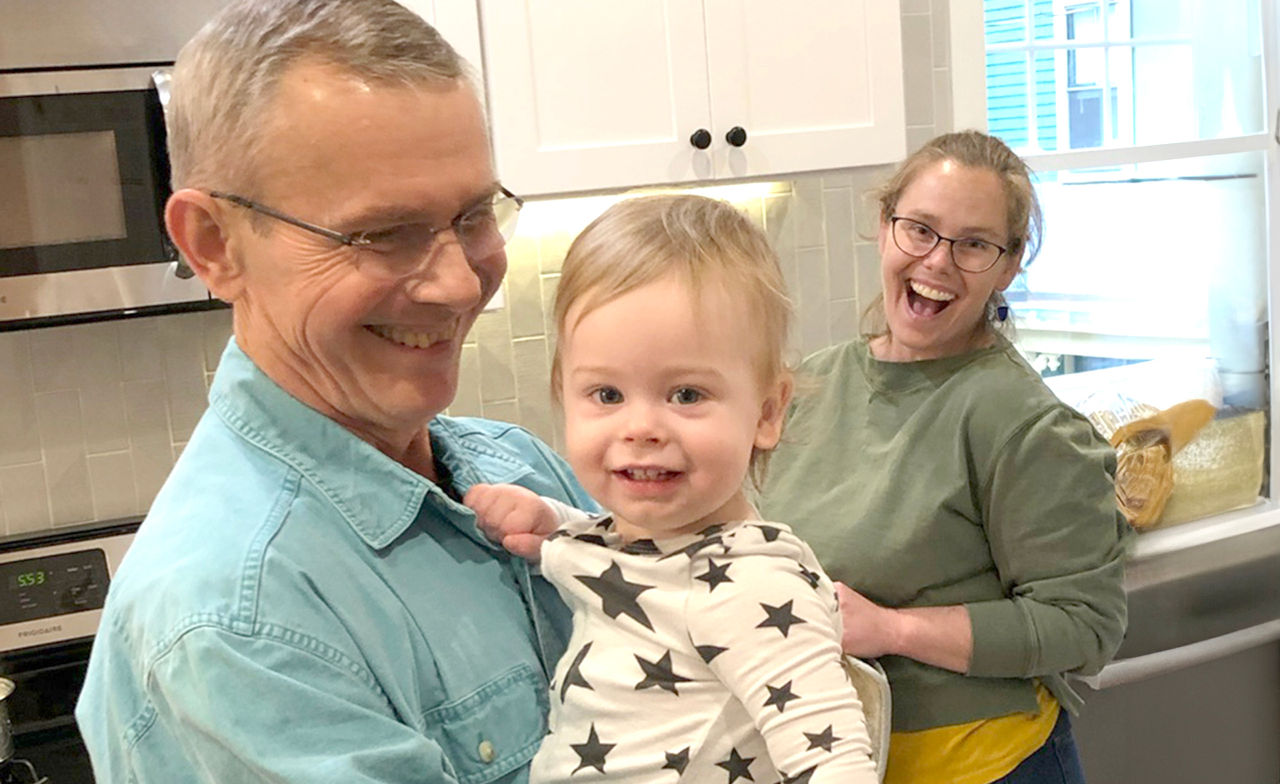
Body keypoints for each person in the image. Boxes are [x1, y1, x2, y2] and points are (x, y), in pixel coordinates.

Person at [74, 1, 596, 782]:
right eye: (384, 233)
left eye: (473, 213)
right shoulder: (238, 624)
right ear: (214, 246)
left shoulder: (516, 467)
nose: (459, 283)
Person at [465, 194, 881, 784]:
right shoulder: (647, 541)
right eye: (606, 395)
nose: (640, 429)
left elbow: (836, 764)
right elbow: (624, 556)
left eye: (686, 394)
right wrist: (550, 524)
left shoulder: (752, 588)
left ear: (767, 412)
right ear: (563, 393)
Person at [758, 130, 1132, 784]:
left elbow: (1085, 626)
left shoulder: (1022, 423)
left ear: (1010, 264)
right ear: (883, 226)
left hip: (986, 767)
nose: (937, 262)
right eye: (920, 230)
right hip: (837, 757)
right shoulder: (812, 386)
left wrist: (893, 630)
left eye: (974, 245)